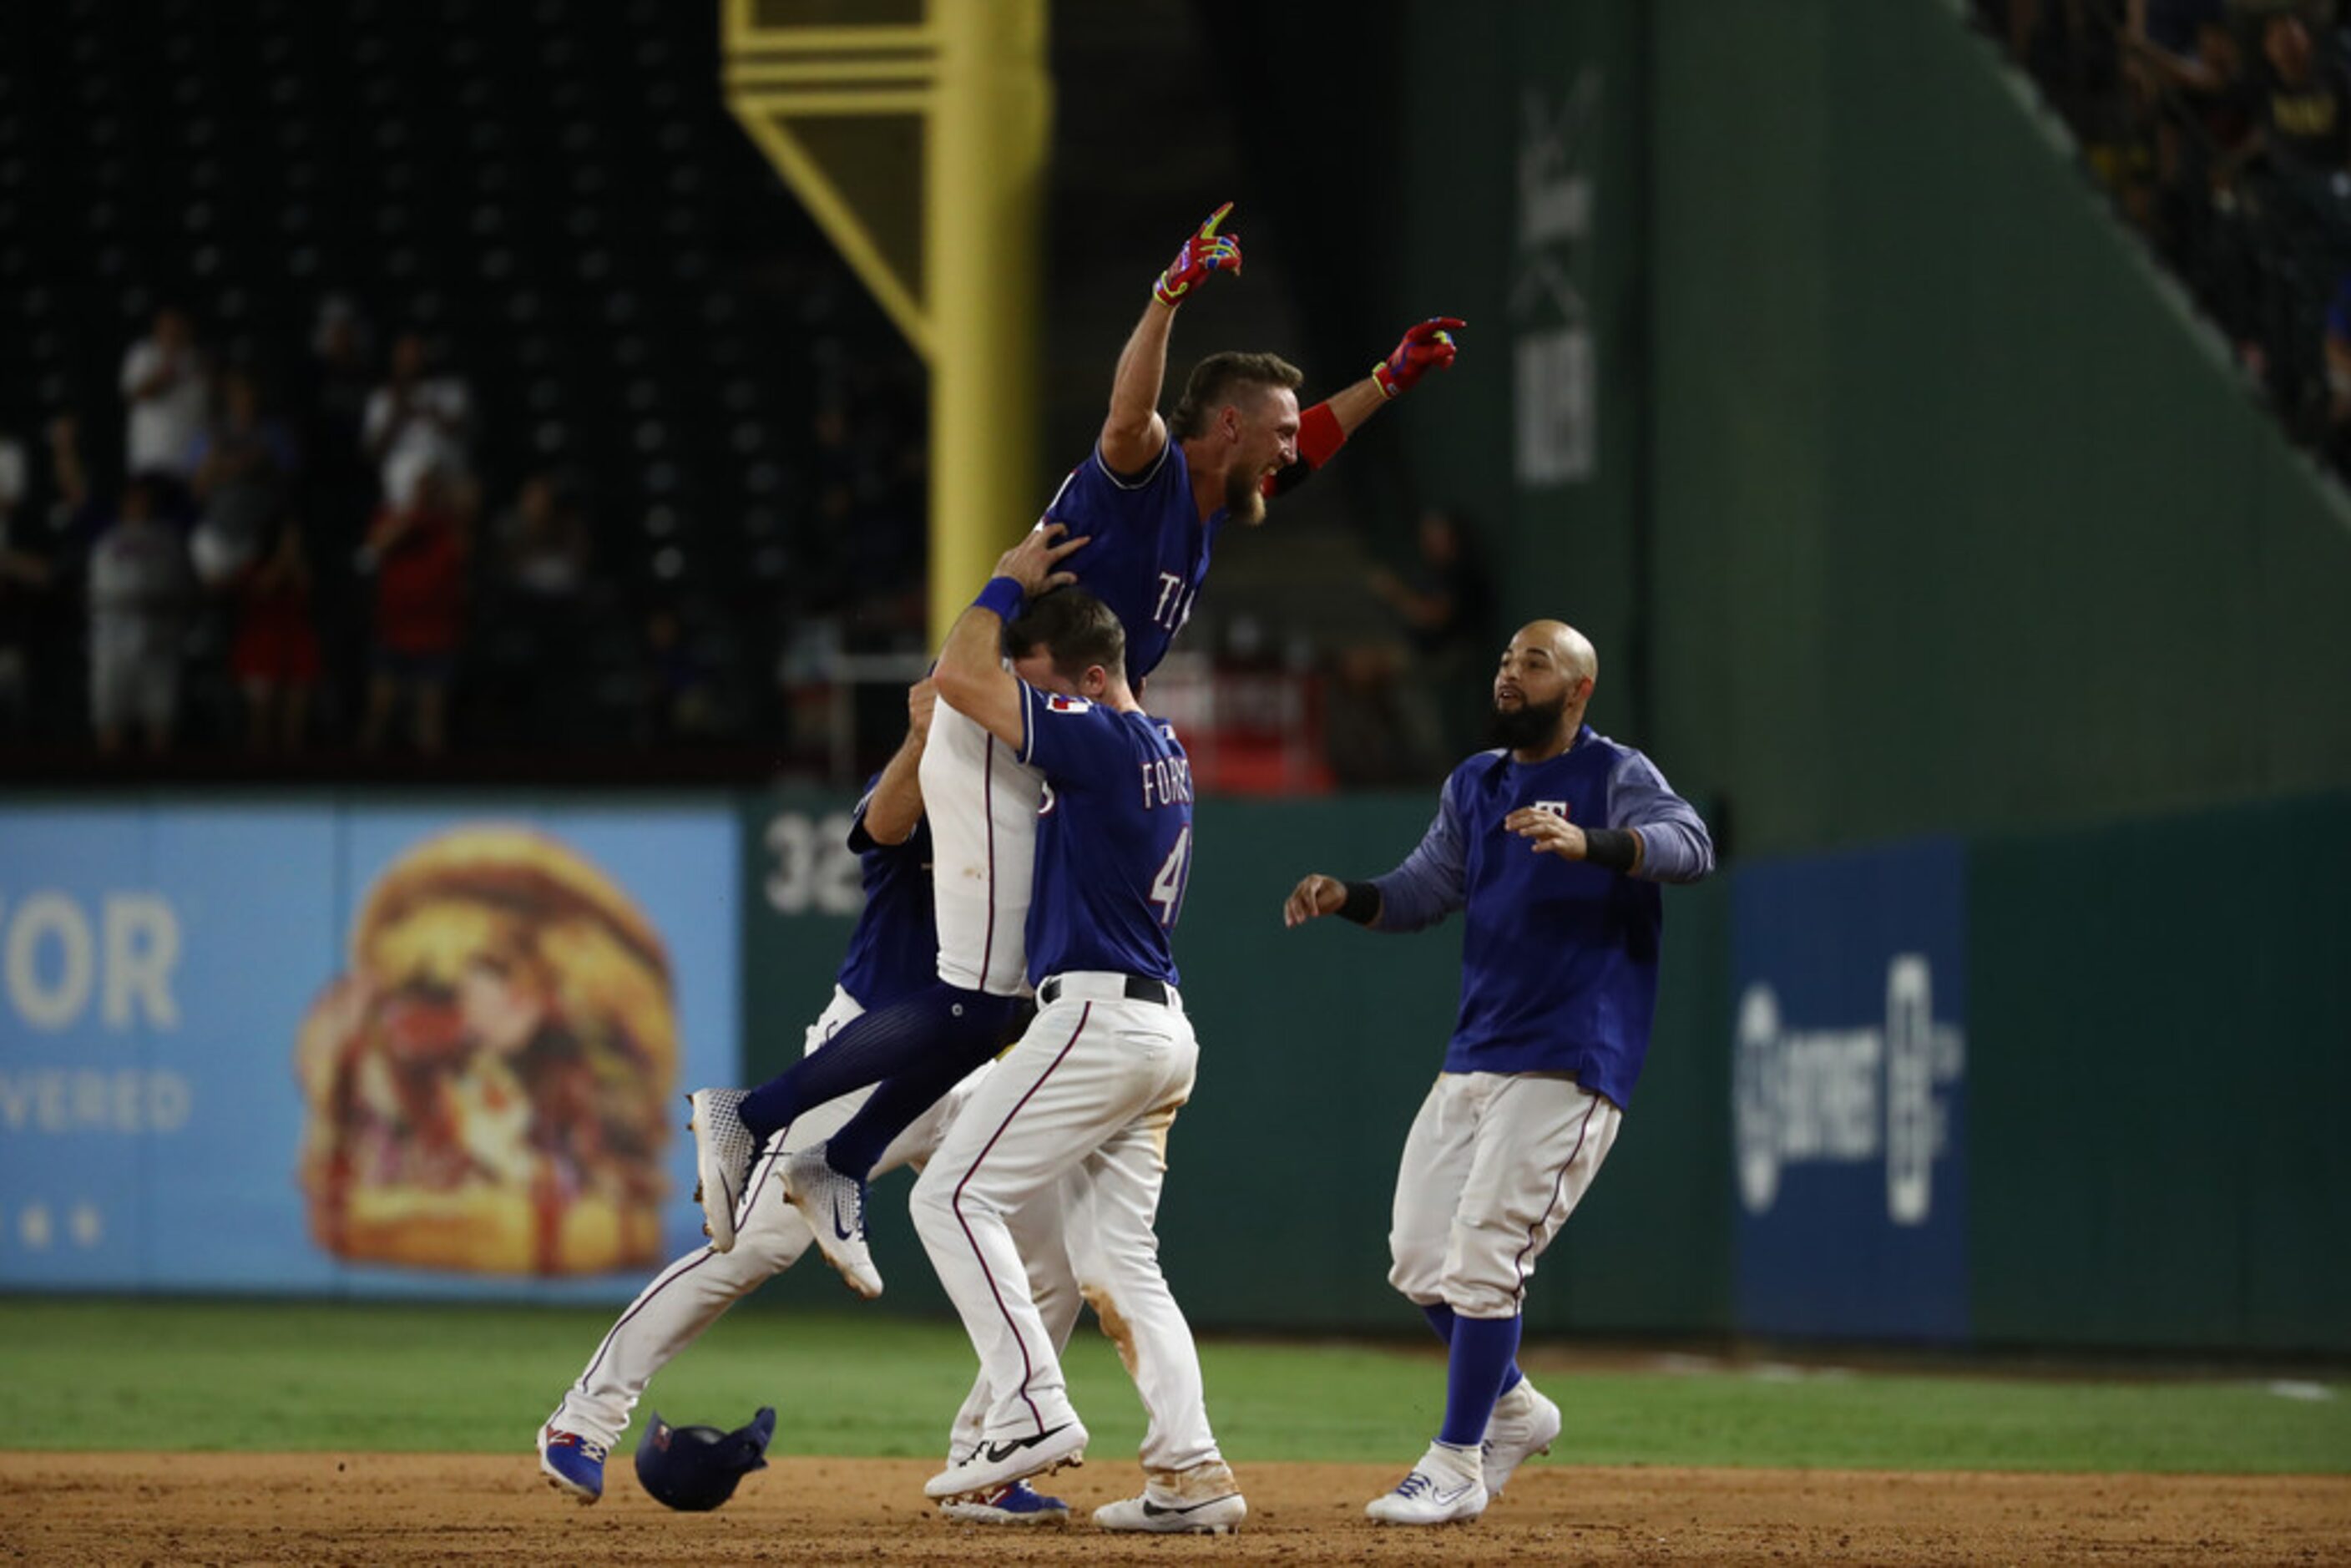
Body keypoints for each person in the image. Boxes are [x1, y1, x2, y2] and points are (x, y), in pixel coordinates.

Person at [687, 202, 1464, 1299]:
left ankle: (836, 1157)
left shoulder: (1213, 499)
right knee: (982, 998)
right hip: (997, 723)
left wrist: (1388, 378)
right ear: (1228, 426)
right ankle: (767, 1123)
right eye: (1277, 429)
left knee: (994, 1003)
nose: (1294, 449)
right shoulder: (1145, 470)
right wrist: (1168, 293)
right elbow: (1128, 408)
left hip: (1034, 739)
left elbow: (1306, 452)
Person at [537, 682, 1078, 1526]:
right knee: (749, 1250)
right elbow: (879, 825)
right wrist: (922, 734)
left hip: (972, 1068)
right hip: (868, 1055)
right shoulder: (930, 780)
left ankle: (986, 1454)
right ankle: (582, 1419)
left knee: (1051, 1263)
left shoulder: (1037, 797)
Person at [1282, 620, 1715, 1526]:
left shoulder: (1612, 773)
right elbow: (1422, 891)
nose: (1510, 673)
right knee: (1416, 1258)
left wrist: (1591, 842)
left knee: (1483, 1261)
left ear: (1579, 690)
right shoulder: (1474, 783)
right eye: (1507, 658)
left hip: (1571, 1053)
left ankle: (1456, 1458)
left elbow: (1690, 847)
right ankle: (1515, 1409)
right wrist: (1345, 896)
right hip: (1476, 1052)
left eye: (1535, 661)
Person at [908, 526, 1245, 1535]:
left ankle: (1031, 1412)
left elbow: (962, 678)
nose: (1029, 703)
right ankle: (1190, 1473)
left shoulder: (1098, 733)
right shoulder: (1163, 750)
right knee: (1116, 1264)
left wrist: (1003, 585)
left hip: (1096, 1016)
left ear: (1095, 679)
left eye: (1045, 685)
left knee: (950, 1197)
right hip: (1158, 1031)